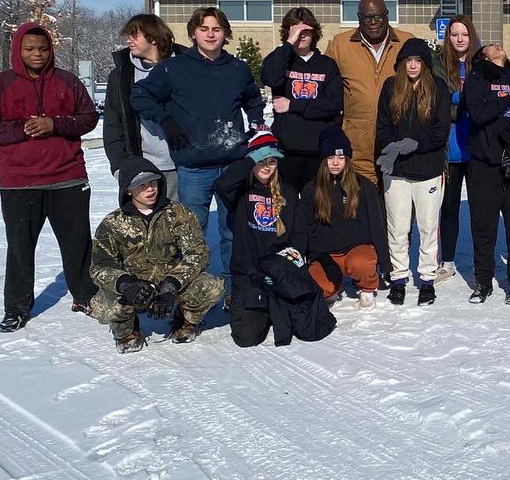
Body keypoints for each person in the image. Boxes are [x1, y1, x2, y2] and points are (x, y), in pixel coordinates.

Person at [0, 22, 99, 332]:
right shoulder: (1, 84)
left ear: (50, 49)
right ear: (18, 50)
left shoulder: (67, 81)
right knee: (20, 246)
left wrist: (55, 124)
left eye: (42, 48)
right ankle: (16, 308)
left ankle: (86, 296)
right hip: (18, 181)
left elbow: (89, 117)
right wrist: (17, 131)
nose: (37, 54)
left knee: (78, 243)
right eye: (29, 49)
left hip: (67, 176)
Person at [130, 6, 265, 298]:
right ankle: (194, 293)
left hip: (232, 162)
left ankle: (232, 289)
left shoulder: (237, 69)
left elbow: (253, 99)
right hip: (194, 166)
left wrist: (256, 123)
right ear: (193, 33)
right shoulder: (174, 68)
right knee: (193, 234)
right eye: (204, 29)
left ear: (225, 34)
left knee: (231, 230)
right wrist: (164, 118)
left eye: (216, 29)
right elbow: (140, 96)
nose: (210, 34)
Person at [89, 158, 223, 353]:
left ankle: (184, 321)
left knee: (211, 288)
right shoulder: (113, 223)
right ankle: (127, 333)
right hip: (134, 284)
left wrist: (171, 284)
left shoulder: (178, 213)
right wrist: (125, 284)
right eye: (141, 185)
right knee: (107, 307)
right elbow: (99, 266)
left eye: (152, 182)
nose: (150, 189)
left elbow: (197, 253)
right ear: (128, 190)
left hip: (168, 281)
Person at [376, 39, 451, 306]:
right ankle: (398, 277)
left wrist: (416, 144)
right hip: (396, 171)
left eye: (417, 61)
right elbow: (383, 125)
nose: (412, 65)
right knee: (397, 228)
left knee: (428, 228)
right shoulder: (390, 87)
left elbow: (440, 130)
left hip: (428, 169)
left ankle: (428, 278)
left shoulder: (438, 88)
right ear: (401, 64)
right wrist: (390, 148)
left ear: (425, 64)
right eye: (408, 60)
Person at [216, 130, 306, 347]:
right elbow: (221, 185)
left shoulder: (289, 192)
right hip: (249, 275)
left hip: (280, 272)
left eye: (272, 161)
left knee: (304, 327)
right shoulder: (240, 192)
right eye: (261, 161)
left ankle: (273, 305)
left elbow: (299, 235)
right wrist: (250, 158)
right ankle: (262, 310)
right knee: (247, 337)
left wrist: (287, 266)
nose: (267, 166)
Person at [463, 42, 510, 303]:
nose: (496, 45)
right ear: (482, 56)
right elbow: (479, 113)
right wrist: (508, 98)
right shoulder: (476, 78)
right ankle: (483, 282)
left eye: (498, 44)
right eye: (490, 46)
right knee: (483, 228)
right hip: (484, 165)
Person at [324, 0, 416, 185]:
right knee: (362, 202)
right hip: (357, 141)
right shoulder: (340, 45)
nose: (373, 23)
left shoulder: (407, 42)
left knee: (397, 208)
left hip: (397, 138)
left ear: (387, 15)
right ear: (359, 18)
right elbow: (326, 88)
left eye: (378, 17)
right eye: (367, 18)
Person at [297, 125, 388, 310]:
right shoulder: (311, 189)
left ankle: (366, 288)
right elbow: (303, 228)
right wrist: (305, 258)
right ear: (323, 160)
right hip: (326, 254)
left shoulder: (364, 186)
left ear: (347, 159)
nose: (336, 162)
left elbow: (377, 225)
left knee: (360, 263)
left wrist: (385, 264)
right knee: (320, 288)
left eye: (340, 157)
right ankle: (332, 287)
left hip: (357, 250)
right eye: (330, 158)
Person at [260, 6, 345, 194]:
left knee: (318, 206)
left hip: (318, 150)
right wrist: (288, 44)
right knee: (286, 207)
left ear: (314, 32)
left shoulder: (327, 65)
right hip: (286, 149)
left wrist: (292, 105)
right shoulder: (280, 60)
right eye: (295, 29)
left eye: (305, 30)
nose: (301, 35)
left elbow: (333, 104)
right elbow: (270, 78)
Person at [102, 13, 185, 200]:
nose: (128, 40)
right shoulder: (121, 76)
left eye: (134, 35)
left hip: (184, 166)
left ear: (153, 37)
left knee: (181, 225)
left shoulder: (186, 66)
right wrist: (119, 165)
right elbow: (113, 123)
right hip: (142, 167)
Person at [433, 14, 478, 283]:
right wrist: (464, 102)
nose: (460, 39)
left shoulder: (480, 62)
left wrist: (460, 99)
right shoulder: (438, 64)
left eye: (464, 34)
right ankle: (447, 261)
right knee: (449, 208)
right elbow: (438, 104)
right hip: (449, 150)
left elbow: (486, 102)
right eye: (454, 34)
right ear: (448, 38)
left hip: (476, 149)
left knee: (479, 208)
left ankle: (482, 259)